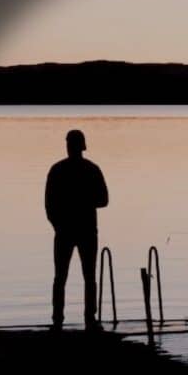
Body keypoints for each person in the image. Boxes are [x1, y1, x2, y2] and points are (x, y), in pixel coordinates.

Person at [45, 129, 108, 330]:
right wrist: (58, 224)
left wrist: (58, 224)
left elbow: (50, 205)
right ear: (83, 146)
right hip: (80, 230)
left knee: (69, 277)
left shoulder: (58, 170)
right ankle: (85, 319)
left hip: (74, 231)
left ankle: (61, 320)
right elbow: (103, 200)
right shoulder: (91, 169)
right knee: (82, 276)